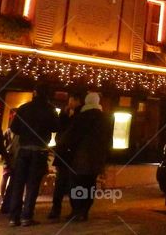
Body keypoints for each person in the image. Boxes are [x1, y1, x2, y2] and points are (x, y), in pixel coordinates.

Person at [6, 86, 58, 226]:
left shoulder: (24, 108)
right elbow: (56, 128)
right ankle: (26, 216)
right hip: (40, 150)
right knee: (32, 185)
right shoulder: (50, 110)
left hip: (23, 149)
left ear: (35, 94)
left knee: (18, 183)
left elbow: (14, 128)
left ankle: (13, 217)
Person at [58, 92, 109, 221]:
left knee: (76, 184)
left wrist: (62, 147)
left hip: (80, 157)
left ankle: (76, 210)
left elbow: (71, 135)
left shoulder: (82, 116)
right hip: (96, 158)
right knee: (90, 185)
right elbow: (108, 140)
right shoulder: (105, 119)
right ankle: (84, 211)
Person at [49, 91, 82, 220]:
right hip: (70, 154)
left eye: (71, 100)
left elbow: (62, 130)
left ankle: (57, 209)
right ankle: (73, 210)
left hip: (66, 153)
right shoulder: (73, 115)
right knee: (70, 182)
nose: (69, 103)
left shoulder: (76, 116)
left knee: (63, 182)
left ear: (76, 100)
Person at [0, 108, 17, 213]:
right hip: (12, 155)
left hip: (9, 154)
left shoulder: (8, 131)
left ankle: (4, 198)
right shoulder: (12, 131)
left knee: (6, 176)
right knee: (8, 177)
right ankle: (4, 198)